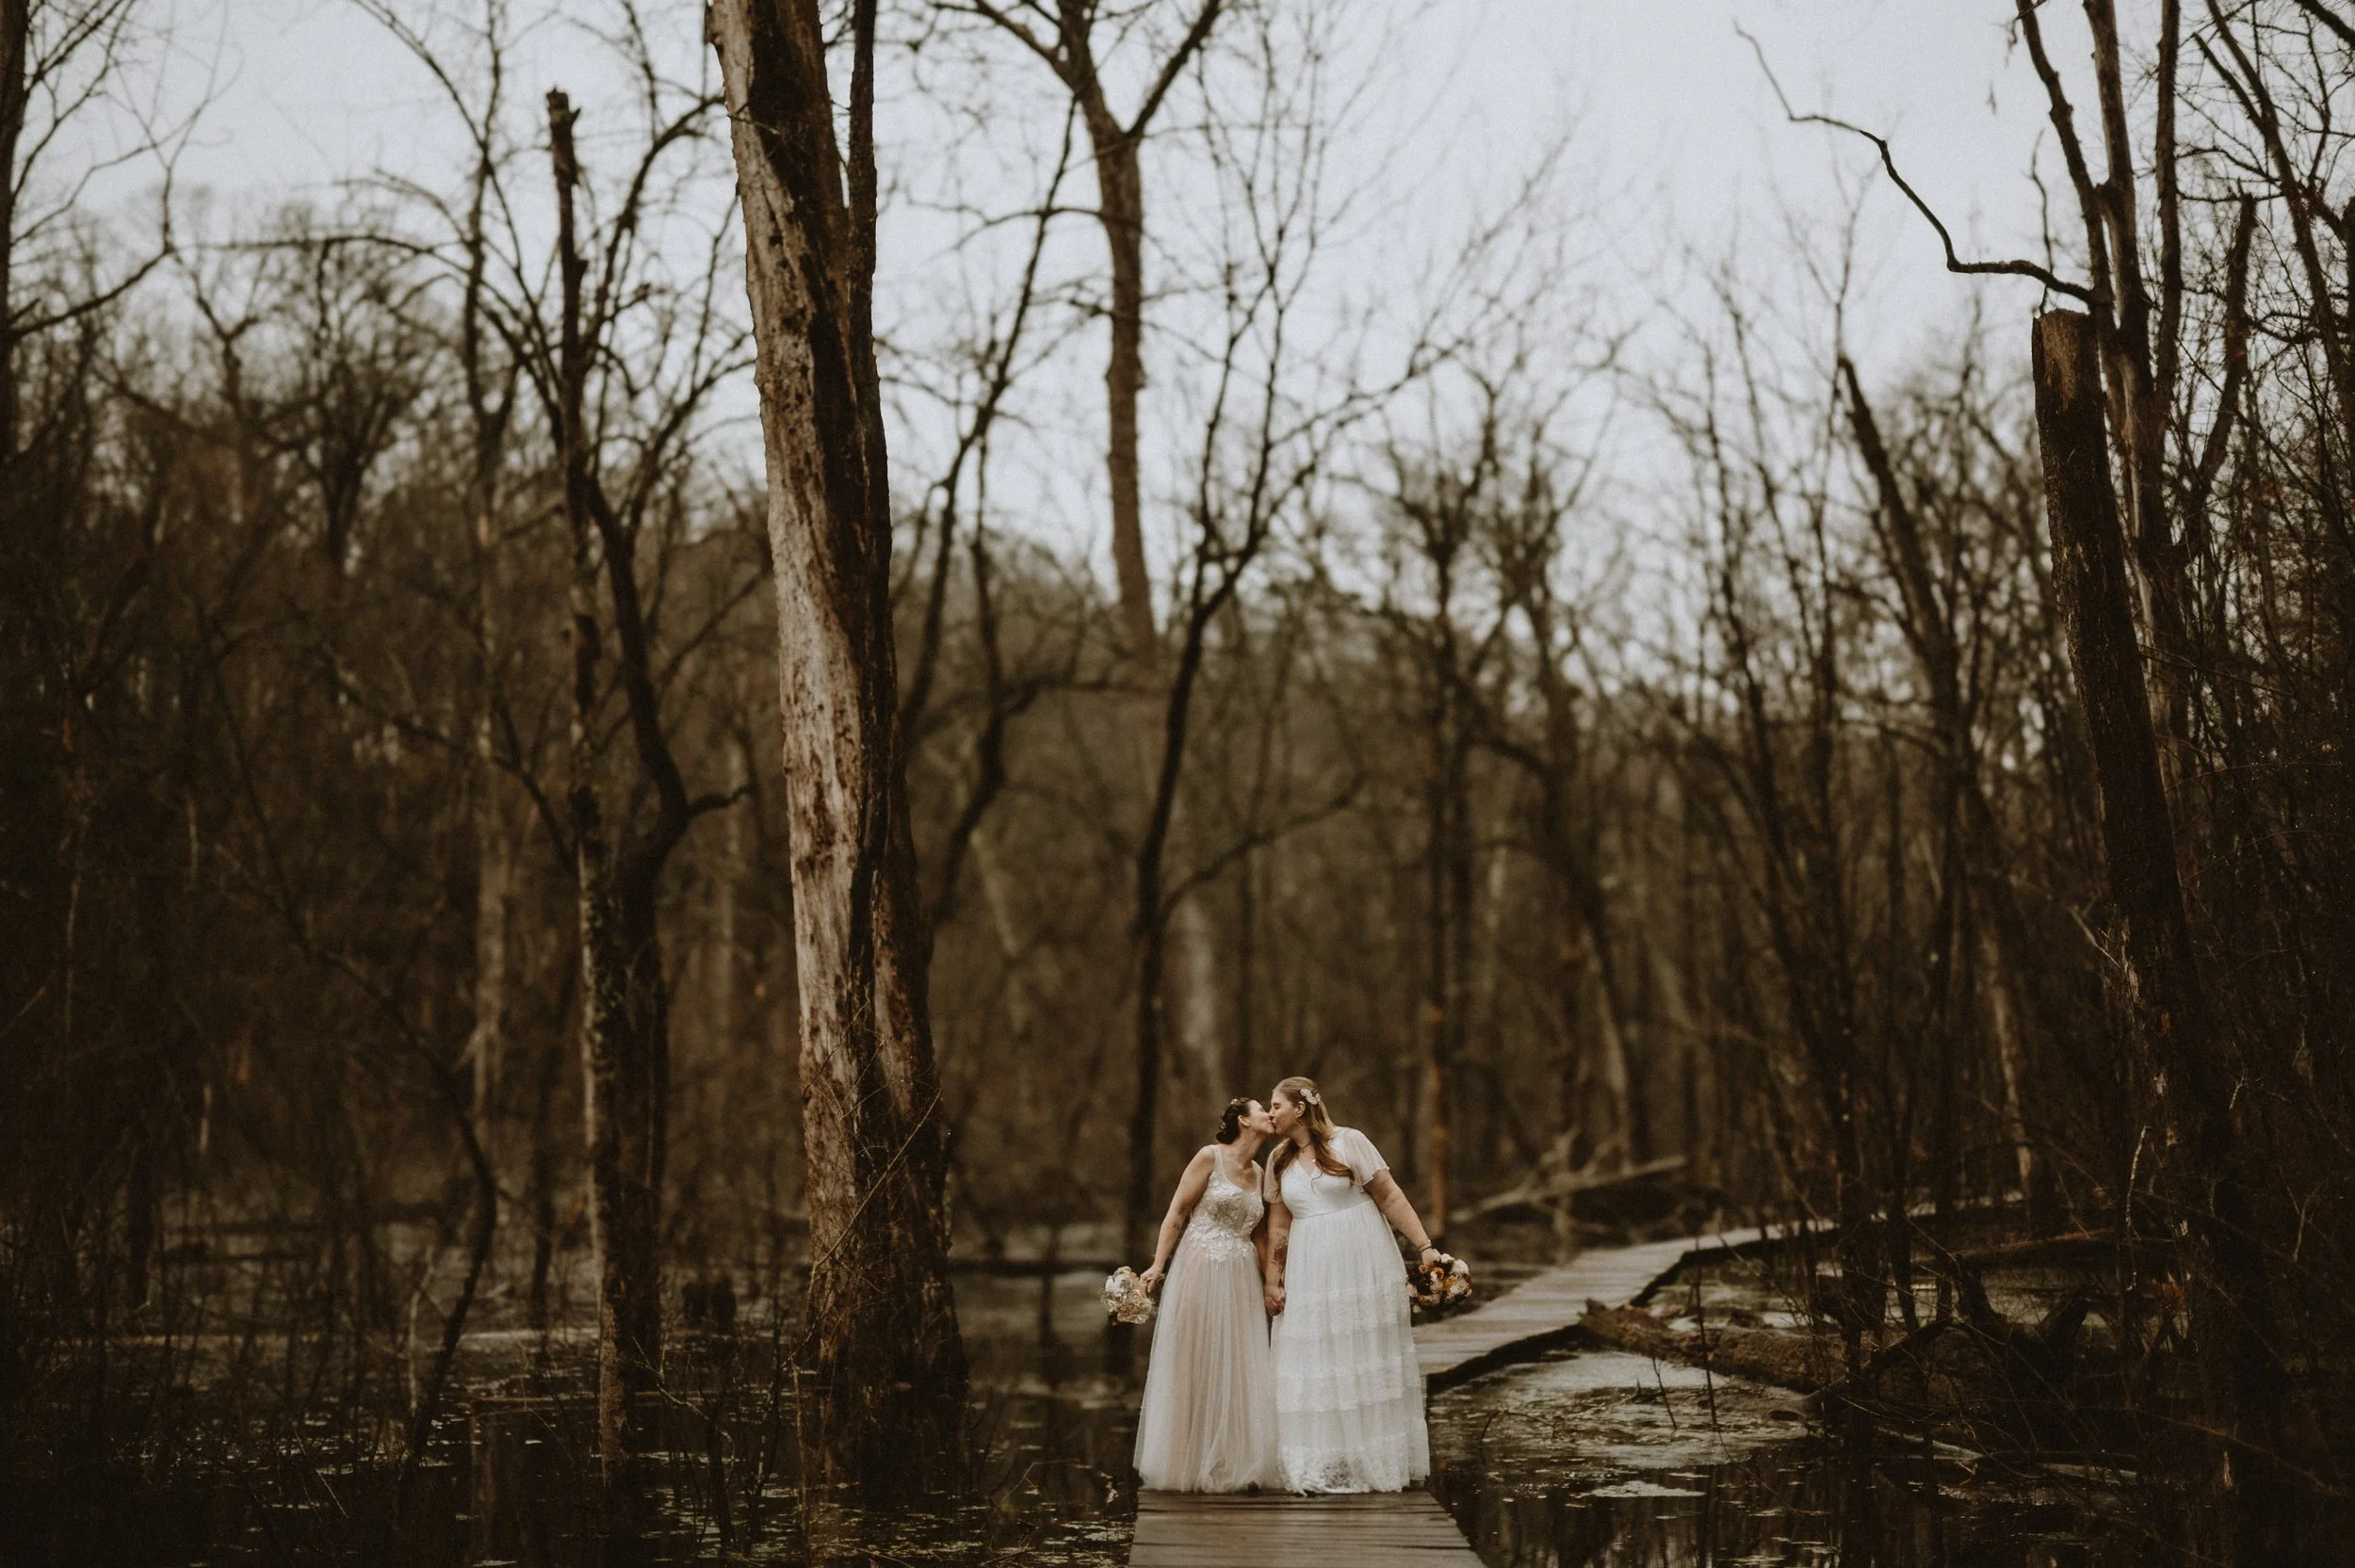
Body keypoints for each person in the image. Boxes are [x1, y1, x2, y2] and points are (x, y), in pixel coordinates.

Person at [1262, 1075, 1437, 1493]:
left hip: (1362, 1258)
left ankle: (1372, 1459)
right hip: (1309, 1265)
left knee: (1362, 1351)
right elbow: (1280, 1224)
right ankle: (1320, 1464)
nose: (1270, 1113)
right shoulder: (1278, 1160)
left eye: (1276, 1105)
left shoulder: (1351, 1142)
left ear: (1300, 1108)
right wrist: (1273, 1280)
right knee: (1315, 1355)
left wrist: (1425, 1247)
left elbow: (1390, 1196)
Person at [1130, 1096, 1282, 1491]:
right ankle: (1186, 1461)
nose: (1269, 1113)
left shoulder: (1261, 1171)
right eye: (1261, 1109)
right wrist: (1158, 1265)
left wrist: (1274, 1281)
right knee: (1195, 1357)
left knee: (1238, 1360)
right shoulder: (1209, 1158)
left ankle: (1232, 1460)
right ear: (1244, 1122)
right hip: (1198, 1266)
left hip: (1240, 1275)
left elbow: (1261, 1233)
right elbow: (1177, 1211)